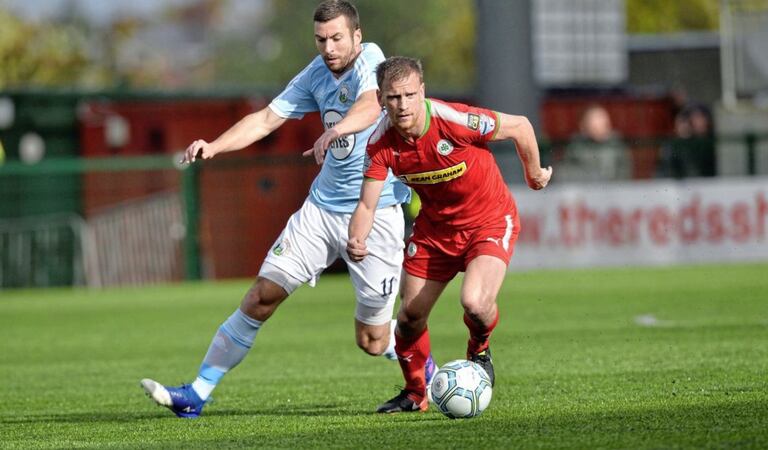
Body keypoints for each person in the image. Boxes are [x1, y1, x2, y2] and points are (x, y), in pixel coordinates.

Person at [140, 1, 436, 419]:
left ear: (356, 34)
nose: (329, 48)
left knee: (372, 339)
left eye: (336, 38)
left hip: (375, 214)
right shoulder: (315, 74)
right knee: (262, 295)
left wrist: (336, 129)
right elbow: (265, 119)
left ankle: (431, 375)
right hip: (319, 210)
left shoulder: (373, 60)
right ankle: (196, 393)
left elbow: (372, 105)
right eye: (320, 40)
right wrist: (215, 145)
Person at [347, 56, 552, 413]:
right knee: (409, 318)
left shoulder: (453, 120)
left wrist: (533, 174)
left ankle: (479, 349)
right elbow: (366, 205)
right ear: (381, 98)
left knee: (474, 302)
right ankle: (415, 393)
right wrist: (357, 238)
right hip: (434, 232)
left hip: (488, 220)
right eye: (393, 97)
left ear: (422, 91)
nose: (403, 104)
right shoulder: (380, 143)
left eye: (410, 94)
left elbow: (520, 126)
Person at [558, 104, 631, 182]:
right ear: (583, 126)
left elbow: (624, 176)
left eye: (602, 120)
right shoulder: (576, 148)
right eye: (594, 120)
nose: (599, 124)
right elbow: (565, 174)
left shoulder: (617, 147)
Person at [657, 103, 717, 178]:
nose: (700, 121)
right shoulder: (672, 145)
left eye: (701, 117)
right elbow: (668, 169)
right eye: (696, 118)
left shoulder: (711, 142)